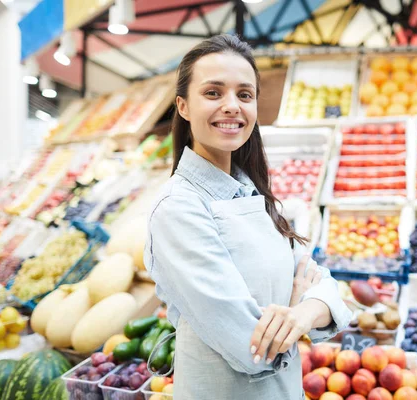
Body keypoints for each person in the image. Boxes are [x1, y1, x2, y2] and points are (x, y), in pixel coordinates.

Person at [144, 34, 351, 400]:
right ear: (183, 106)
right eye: (213, 93)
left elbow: (327, 287)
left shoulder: (252, 192)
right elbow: (251, 348)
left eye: (244, 95)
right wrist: (297, 301)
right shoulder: (178, 209)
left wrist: (300, 314)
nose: (231, 106)